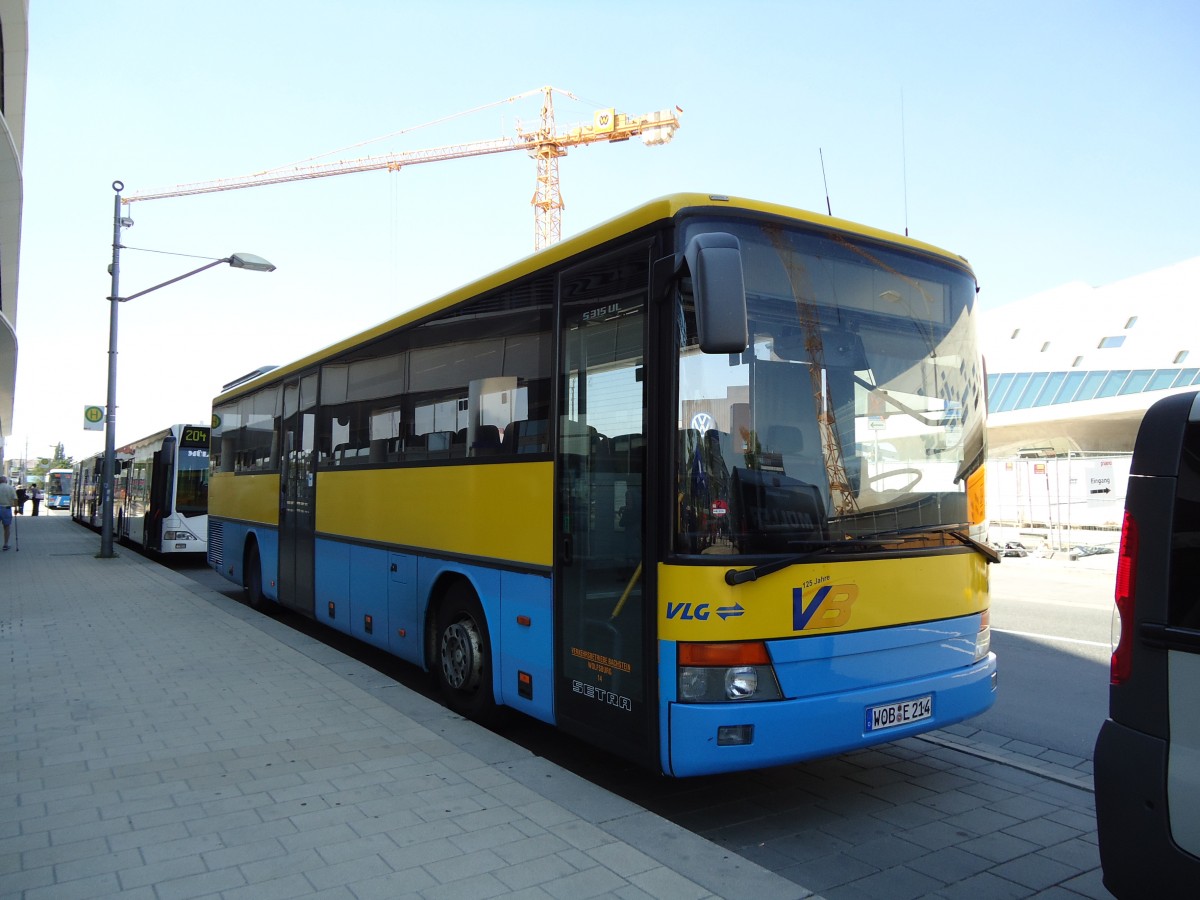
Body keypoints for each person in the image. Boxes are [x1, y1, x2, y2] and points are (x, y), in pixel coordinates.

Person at [0, 476, 16, 549]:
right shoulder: (10, 488)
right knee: (6, 527)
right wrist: (16, 509)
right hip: (6, 509)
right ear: (6, 481)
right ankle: (6, 544)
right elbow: (15, 499)